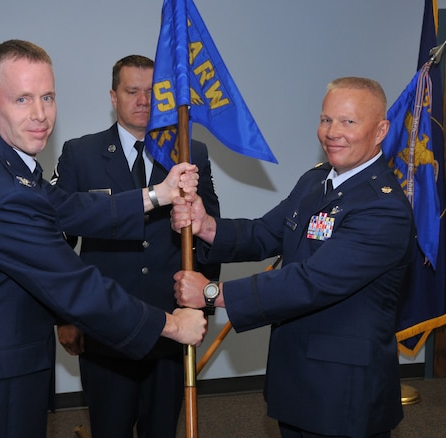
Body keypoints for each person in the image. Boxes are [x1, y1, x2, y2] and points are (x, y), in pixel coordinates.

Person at [0, 40, 208, 438]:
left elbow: (68, 207)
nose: (40, 115)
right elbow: (76, 286)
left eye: (47, 97)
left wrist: (157, 195)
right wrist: (170, 325)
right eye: (22, 99)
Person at [172, 77, 417, 438]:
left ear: (380, 130)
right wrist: (207, 226)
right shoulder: (315, 181)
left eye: (348, 122)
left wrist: (214, 293)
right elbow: (266, 233)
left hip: (343, 391)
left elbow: (312, 281)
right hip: (297, 376)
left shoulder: (384, 208)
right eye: (326, 119)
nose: (332, 132)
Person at [52, 54, 220, 438]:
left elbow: (212, 238)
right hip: (105, 328)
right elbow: (59, 240)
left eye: (151, 92)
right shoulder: (81, 154)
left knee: (161, 430)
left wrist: (203, 302)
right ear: (114, 96)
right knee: (109, 429)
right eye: (132, 91)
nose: (143, 101)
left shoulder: (191, 155)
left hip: (170, 325)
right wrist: (64, 316)